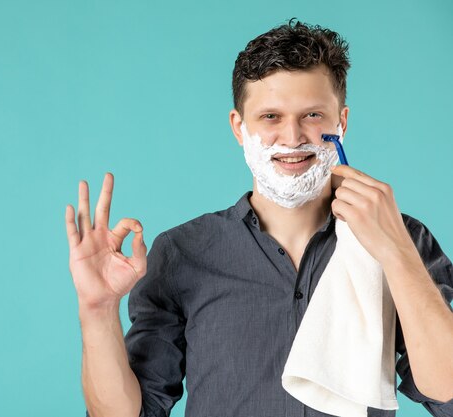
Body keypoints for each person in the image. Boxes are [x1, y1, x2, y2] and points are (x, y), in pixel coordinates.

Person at [65, 19, 453, 417]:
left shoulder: (403, 238)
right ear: (239, 127)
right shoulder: (182, 252)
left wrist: (397, 253)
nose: (292, 137)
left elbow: (448, 395)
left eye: (313, 115)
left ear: (342, 122)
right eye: (270, 117)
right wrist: (96, 310)